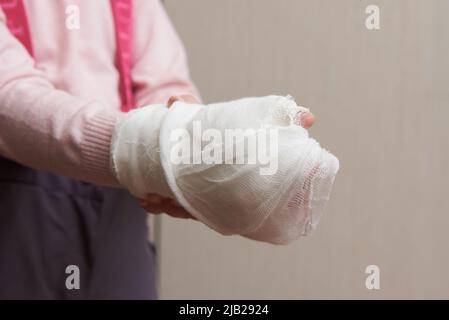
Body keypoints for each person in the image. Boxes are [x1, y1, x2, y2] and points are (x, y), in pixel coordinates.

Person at [0, 0, 315, 299]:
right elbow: (9, 98)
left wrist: (189, 140)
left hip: (122, 201)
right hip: (21, 207)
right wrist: (150, 148)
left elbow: (165, 83)